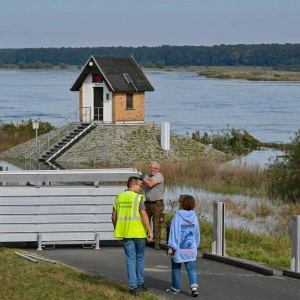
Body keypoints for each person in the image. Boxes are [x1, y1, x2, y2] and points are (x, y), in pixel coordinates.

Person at [111, 176, 153, 297]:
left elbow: (113, 216)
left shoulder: (119, 197)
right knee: (140, 257)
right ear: (133, 185)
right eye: (139, 185)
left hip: (126, 233)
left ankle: (133, 287)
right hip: (139, 233)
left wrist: (116, 227)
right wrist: (149, 230)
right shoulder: (138, 198)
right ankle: (140, 283)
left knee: (130, 259)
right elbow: (144, 215)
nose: (141, 188)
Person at [166, 195, 200, 297]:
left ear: (182, 204)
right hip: (190, 248)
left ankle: (175, 288)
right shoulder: (194, 216)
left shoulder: (178, 215)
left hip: (179, 249)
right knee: (191, 268)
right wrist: (196, 244)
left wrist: (171, 246)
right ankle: (194, 287)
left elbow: (174, 232)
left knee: (176, 267)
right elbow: (197, 232)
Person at [140, 161, 164, 250]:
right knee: (145, 222)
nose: (152, 169)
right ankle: (146, 239)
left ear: (157, 169)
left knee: (157, 223)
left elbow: (150, 184)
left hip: (157, 203)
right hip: (148, 202)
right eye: (151, 168)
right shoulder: (147, 176)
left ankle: (156, 242)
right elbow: (141, 183)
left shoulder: (159, 176)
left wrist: (142, 178)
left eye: (154, 168)